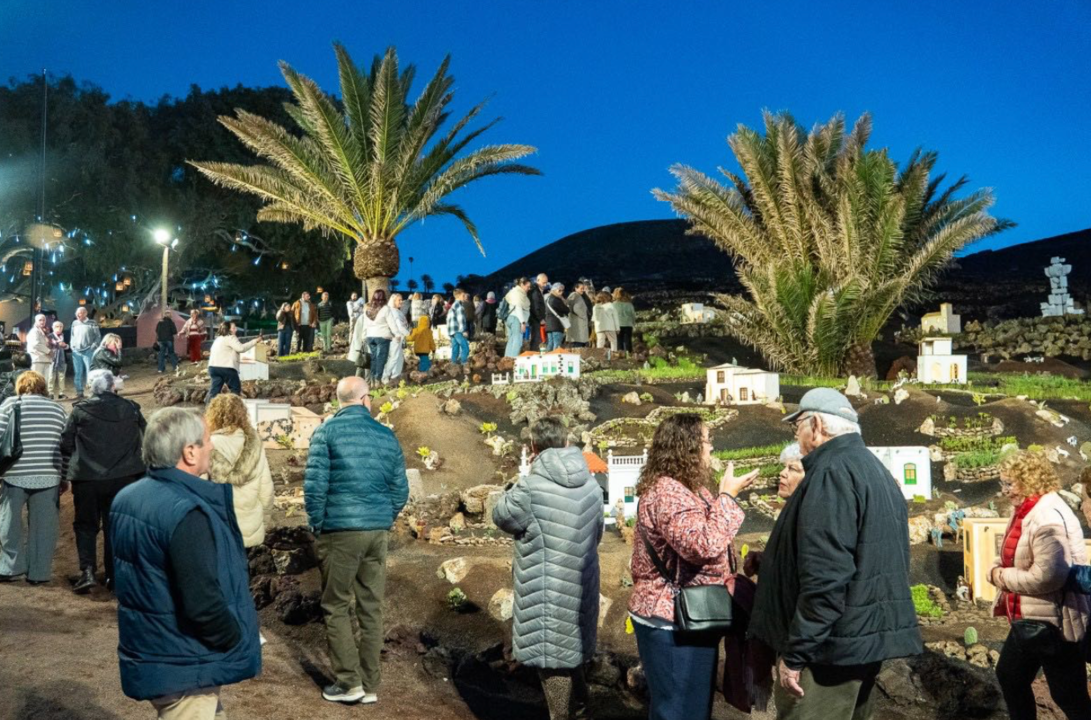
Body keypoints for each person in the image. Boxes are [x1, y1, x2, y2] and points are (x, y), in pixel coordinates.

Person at [749, 388, 921, 720]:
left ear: (815, 425)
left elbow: (826, 576)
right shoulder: (872, 469)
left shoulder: (830, 473)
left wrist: (797, 654)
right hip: (860, 642)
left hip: (828, 651)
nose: (796, 433)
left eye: (797, 424)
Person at [110, 408, 261, 718]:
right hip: (185, 663)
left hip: (155, 649)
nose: (213, 446)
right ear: (190, 452)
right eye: (206, 441)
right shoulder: (187, 512)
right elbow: (202, 602)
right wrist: (234, 637)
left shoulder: (127, 498)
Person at [627, 413, 756, 719]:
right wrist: (728, 496)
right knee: (680, 710)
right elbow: (702, 544)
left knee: (688, 707)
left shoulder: (687, 489)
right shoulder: (669, 493)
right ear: (688, 447)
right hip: (673, 620)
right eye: (707, 441)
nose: (711, 448)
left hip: (686, 617)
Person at [305, 376, 409, 705]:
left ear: (340, 401)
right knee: (371, 607)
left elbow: (314, 487)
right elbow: (400, 490)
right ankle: (369, 683)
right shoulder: (386, 435)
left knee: (336, 605)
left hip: (339, 531)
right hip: (376, 532)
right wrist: (383, 518)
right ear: (364, 399)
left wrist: (318, 525)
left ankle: (349, 683)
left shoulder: (325, 432)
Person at [494, 417, 604, 720]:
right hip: (581, 584)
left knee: (552, 660)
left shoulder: (531, 487)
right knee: (570, 652)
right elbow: (598, 534)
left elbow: (501, 515)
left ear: (533, 447)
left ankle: (565, 715)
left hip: (546, 590)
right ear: (567, 443)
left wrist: (521, 479)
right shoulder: (591, 484)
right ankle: (581, 708)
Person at [989, 450, 1091, 720]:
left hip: (1054, 622)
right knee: (1010, 677)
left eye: (1009, 483)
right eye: (1003, 483)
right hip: (1032, 618)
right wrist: (998, 569)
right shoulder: (1026, 510)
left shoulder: (1047, 515)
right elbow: (1012, 556)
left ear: (1029, 479)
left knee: (1068, 695)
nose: (1005, 490)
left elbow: (1048, 576)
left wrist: (1001, 577)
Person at [60, 369, 145, 594]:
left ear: (91, 387)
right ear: (111, 386)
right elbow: (146, 436)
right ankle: (114, 576)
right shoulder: (131, 408)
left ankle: (87, 572)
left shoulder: (80, 411)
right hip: (124, 478)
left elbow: (66, 443)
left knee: (86, 525)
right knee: (114, 527)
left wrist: (66, 470)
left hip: (88, 478)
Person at [0, 371, 67, 585]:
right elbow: (65, 446)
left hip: (15, 474)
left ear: (20, 386)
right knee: (45, 527)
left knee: (9, 522)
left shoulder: (10, 405)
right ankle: (39, 573)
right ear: (43, 387)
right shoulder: (58, 409)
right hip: (49, 475)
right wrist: (63, 476)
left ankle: (10, 568)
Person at [205, 394, 274, 548]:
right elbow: (266, 490)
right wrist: (264, 521)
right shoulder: (254, 445)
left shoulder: (208, 446)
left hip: (218, 530)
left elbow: (197, 491)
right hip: (251, 528)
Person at [207, 322, 262, 402]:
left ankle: (209, 409)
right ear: (228, 329)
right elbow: (241, 348)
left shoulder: (218, 339)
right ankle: (233, 408)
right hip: (226, 367)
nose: (236, 329)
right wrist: (255, 341)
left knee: (214, 390)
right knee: (235, 388)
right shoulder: (230, 337)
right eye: (233, 328)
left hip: (213, 367)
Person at [70, 306, 101, 399]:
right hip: (76, 352)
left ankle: (91, 391)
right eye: (78, 313)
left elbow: (98, 336)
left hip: (88, 351)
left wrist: (93, 347)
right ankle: (79, 392)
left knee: (90, 372)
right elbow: (72, 336)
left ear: (86, 313)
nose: (79, 314)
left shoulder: (92, 323)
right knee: (77, 372)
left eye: (82, 313)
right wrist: (72, 346)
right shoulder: (74, 323)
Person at [363, 290, 392, 385]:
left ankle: (372, 380)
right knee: (381, 358)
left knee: (373, 358)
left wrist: (364, 336)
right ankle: (377, 380)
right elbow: (392, 324)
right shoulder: (385, 309)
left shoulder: (368, 309)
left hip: (370, 336)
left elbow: (365, 324)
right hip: (382, 336)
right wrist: (398, 334)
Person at [382, 294, 411, 384]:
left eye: (401, 300)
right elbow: (399, 326)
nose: (401, 301)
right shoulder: (393, 312)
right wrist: (408, 334)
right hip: (395, 338)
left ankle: (395, 376)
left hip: (398, 338)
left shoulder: (396, 311)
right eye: (399, 300)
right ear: (393, 301)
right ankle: (385, 376)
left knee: (399, 358)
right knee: (394, 358)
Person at [503, 278, 532, 358]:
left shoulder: (514, 292)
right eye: (527, 286)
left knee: (511, 340)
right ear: (522, 284)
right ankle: (513, 361)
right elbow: (518, 308)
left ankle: (507, 359)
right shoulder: (518, 293)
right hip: (516, 319)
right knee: (517, 341)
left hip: (511, 318)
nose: (529, 289)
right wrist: (523, 322)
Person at [544, 283, 570, 352]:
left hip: (549, 326)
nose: (561, 292)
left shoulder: (548, 299)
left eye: (562, 290)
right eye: (559, 290)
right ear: (554, 290)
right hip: (557, 325)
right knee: (557, 345)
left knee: (550, 344)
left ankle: (546, 359)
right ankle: (554, 360)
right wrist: (564, 301)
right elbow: (567, 310)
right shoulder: (556, 300)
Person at [447, 289, 470, 366]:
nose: (464, 297)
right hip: (458, 330)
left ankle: (453, 363)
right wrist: (463, 331)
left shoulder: (453, 305)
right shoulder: (459, 306)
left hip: (452, 330)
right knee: (465, 347)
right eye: (463, 295)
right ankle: (464, 362)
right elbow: (460, 319)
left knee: (455, 348)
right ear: (459, 296)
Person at [26, 313, 53, 378]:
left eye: (44, 320)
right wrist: (49, 351)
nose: (42, 322)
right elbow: (36, 344)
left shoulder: (42, 332)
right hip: (37, 360)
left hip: (45, 359)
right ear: (36, 321)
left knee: (45, 382)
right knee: (37, 381)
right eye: (40, 320)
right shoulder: (34, 331)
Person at [565, 282, 591, 348]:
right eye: (581, 288)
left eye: (583, 288)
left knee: (578, 342)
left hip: (576, 322)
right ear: (576, 288)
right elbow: (576, 308)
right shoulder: (575, 295)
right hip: (578, 323)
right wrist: (583, 316)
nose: (583, 290)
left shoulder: (576, 295)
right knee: (578, 343)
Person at [527, 274, 549, 352]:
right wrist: (540, 319)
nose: (545, 285)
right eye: (544, 283)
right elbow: (535, 307)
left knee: (537, 338)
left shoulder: (537, 291)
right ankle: (533, 355)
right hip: (536, 319)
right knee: (536, 339)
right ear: (538, 280)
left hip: (536, 319)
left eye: (546, 283)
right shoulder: (535, 292)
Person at [612, 288, 636, 354]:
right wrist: (633, 323)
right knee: (628, 340)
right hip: (628, 324)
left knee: (619, 340)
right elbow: (633, 315)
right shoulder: (629, 304)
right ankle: (629, 353)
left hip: (618, 325)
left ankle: (620, 353)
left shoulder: (614, 304)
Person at [49, 320, 68, 400]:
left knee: (61, 376)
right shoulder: (49, 336)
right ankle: (50, 393)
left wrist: (65, 345)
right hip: (52, 359)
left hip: (62, 359)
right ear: (53, 327)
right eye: (57, 326)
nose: (59, 328)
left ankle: (61, 393)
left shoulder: (64, 335)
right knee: (51, 377)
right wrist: (57, 343)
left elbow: (68, 346)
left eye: (61, 326)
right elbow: (49, 345)